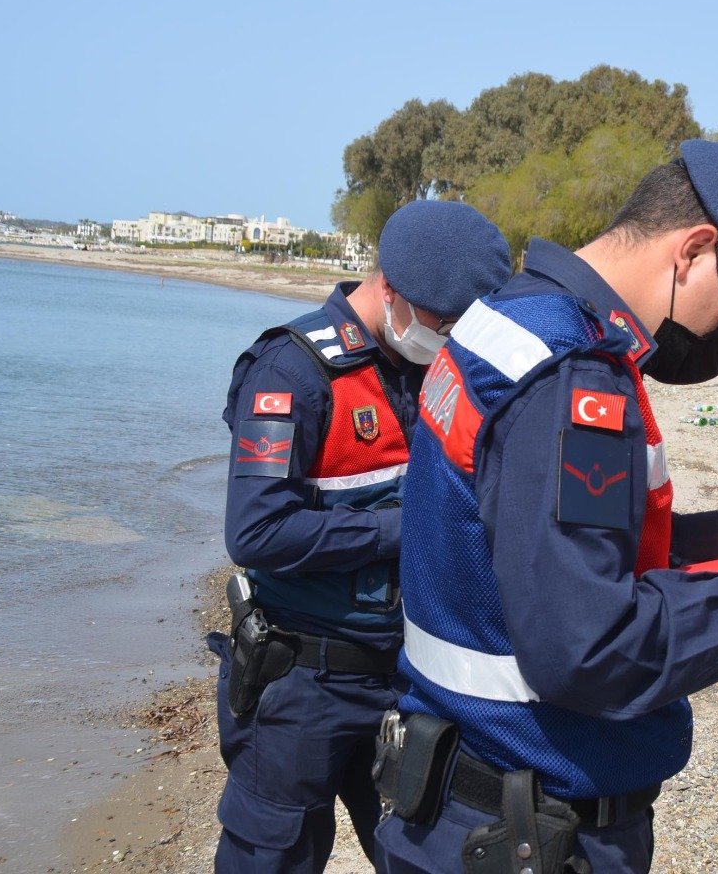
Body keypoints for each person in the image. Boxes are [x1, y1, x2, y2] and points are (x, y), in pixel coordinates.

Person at [372, 139, 718, 874]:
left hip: (456, 794)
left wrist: (716, 538)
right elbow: (585, 645)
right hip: (525, 825)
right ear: (694, 251)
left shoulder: (509, 318)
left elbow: (530, 537)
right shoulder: (573, 374)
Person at [209, 200, 515, 872]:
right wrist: (409, 530)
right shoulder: (291, 373)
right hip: (303, 683)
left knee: (426, 852)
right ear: (391, 291)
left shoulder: (435, 373)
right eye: (445, 323)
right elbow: (257, 532)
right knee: (272, 854)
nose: (452, 338)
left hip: (409, 680)